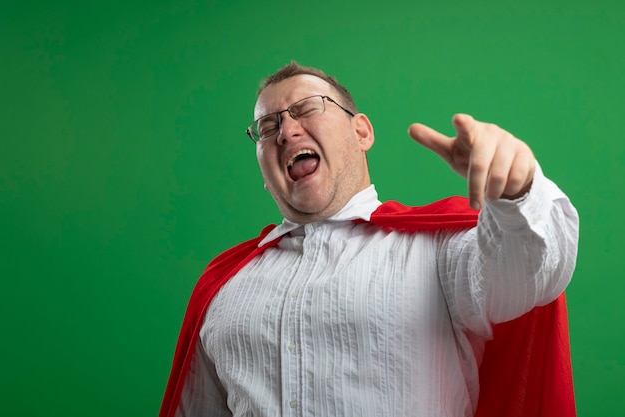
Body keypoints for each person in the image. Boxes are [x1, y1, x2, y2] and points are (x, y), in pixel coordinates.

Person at [160, 62, 579, 417]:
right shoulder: (223, 291)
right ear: (265, 176)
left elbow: (530, 272)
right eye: (268, 126)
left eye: (306, 108)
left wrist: (517, 191)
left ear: (361, 132)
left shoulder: (439, 254)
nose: (285, 131)